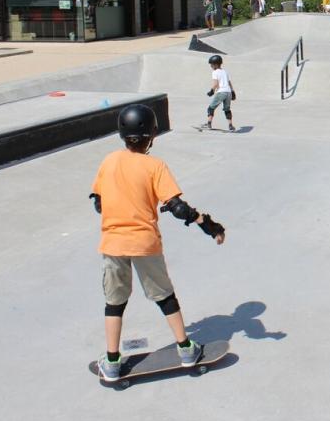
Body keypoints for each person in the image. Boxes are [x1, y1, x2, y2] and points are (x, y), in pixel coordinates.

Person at [91, 104, 226, 382]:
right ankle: (187, 350)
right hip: (145, 243)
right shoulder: (155, 166)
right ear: (152, 134)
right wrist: (208, 226)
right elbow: (177, 208)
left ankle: (113, 362)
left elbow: (98, 202)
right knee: (165, 297)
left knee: (113, 304)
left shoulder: (108, 161)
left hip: (113, 244)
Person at [205, 54, 237, 131]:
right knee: (227, 109)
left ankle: (209, 123)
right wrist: (233, 92)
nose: (211, 66)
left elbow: (216, 84)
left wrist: (211, 90)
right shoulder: (225, 71)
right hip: (228, 92)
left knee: (211, 108)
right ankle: (230, 125)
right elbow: (229, 83)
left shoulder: (215, 72)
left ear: (216, 64)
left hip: (221, 92)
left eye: (211, 64)